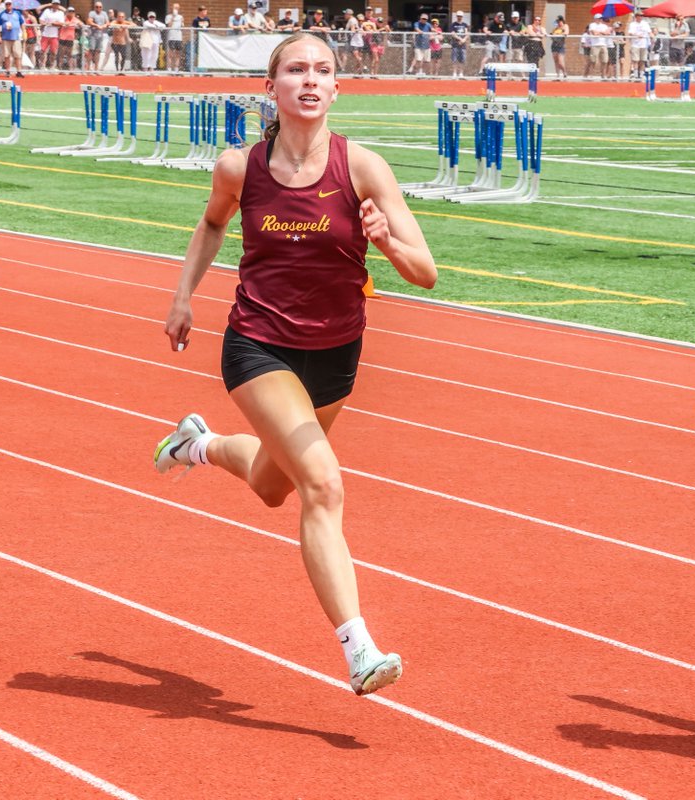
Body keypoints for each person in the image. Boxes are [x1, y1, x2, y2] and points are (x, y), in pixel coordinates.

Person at [156, 31, 436, 697]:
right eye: (295, 71)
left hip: (336, 353)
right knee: (322, 485)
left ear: (337, 87)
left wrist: (385, 239)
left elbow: (425, 273)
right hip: (259, 345)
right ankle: (359, 649)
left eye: (322, 70)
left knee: (272, 484)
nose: (309, 81)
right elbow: (214, 225)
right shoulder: (239, 168)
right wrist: (183, 297)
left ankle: (200, 445)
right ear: (272, 87)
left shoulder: (363, 168)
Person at [449, 10, 469, 77]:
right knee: (454, 59)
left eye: (460, 16)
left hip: (463, 45)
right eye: (458, 16)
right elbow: (453, 34)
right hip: (455, 44)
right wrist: (460, 39)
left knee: (462, 59)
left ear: (462, 16)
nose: (459, 17)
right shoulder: (453, 24)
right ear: (456, 16)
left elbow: (467, 34)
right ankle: (454, 73)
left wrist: (464, 40)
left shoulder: (465, 25)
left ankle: (461, 73)